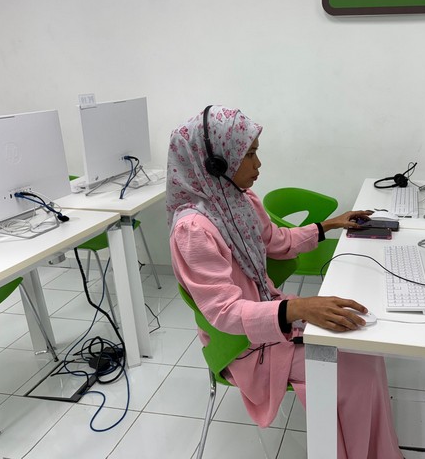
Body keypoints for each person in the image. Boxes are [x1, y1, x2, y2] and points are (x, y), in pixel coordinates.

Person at [167, 105, 402, 458]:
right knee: (360, 371)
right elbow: (224, 313)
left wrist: (330, 225)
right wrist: (299, 308)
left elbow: (277, 241)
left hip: (270, 315)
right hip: (242, 345)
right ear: (215, 163)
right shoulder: (193, 230)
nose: (258, 164)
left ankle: (373, 450)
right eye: (249, 154)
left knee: (366, 347)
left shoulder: (239, 199)